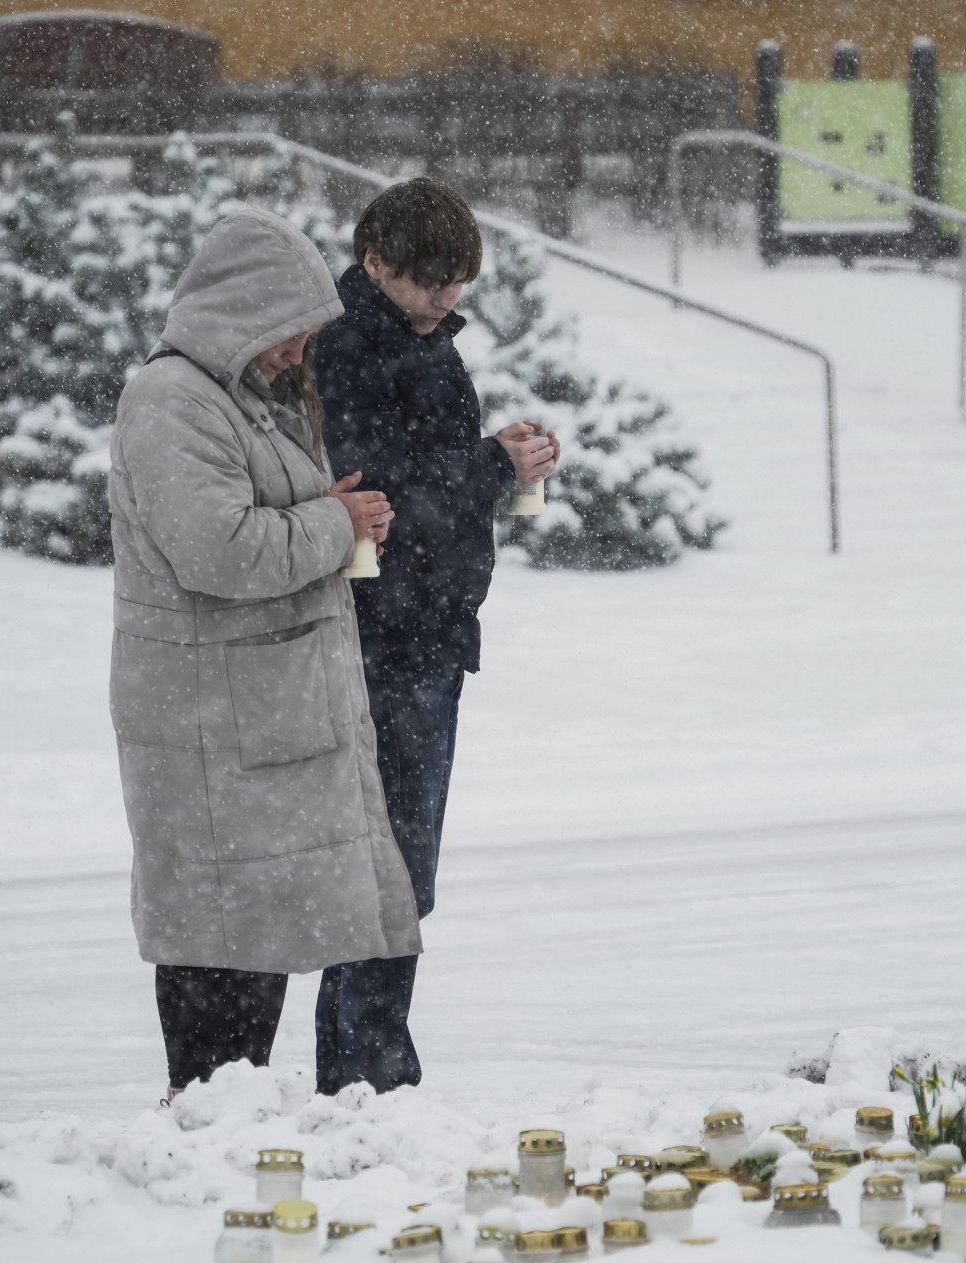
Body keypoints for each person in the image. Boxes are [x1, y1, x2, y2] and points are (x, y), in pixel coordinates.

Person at [107, 206, 419, 1100]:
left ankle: (230, 1132)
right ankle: (202, 1135)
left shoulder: (243, 398)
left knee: (256, 939)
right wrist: (333, 522)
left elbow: (257, 518)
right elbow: (218, 550)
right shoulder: (169, 401)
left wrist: (332, 512)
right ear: (237, 314)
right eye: (288, 334)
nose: (297, 353)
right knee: (219, 954)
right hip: (212, 723)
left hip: (255, 719)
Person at [311, 179, 559, 1094]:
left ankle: (362, 1065)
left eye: (457, 282)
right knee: (389, 869)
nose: (445, 300)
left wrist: (503, 464)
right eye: (428, 281)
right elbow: (384, 494)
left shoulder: (419, 339)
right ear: (375, 263)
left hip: (425, 633)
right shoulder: (349, 346)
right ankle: (368, 1070)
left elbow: (430, 483)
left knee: (392, 868)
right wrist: (493, 464)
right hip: (384, 639)